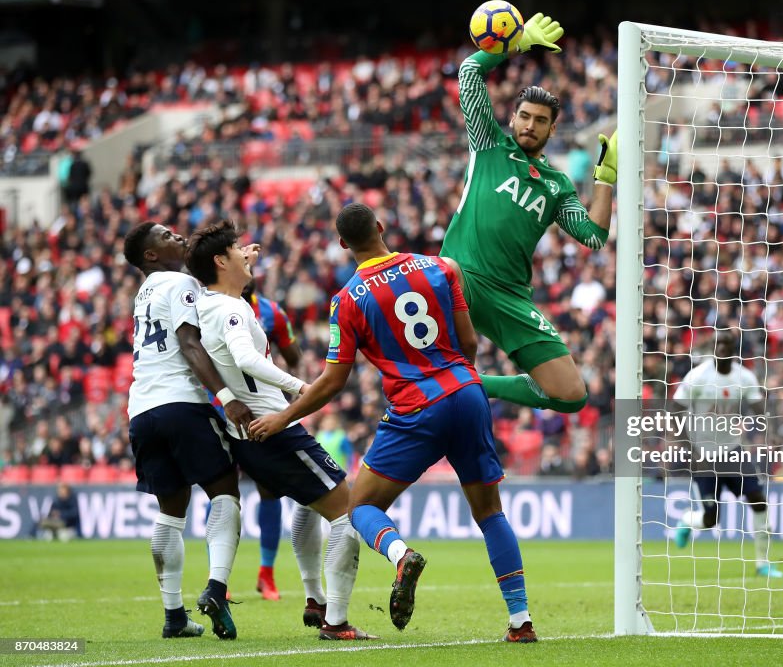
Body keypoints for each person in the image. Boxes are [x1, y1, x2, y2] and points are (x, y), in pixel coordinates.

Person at [250, 202, 537, 642]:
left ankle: (402, 556)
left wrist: (283, 416)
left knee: (359, 507)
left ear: (344, 245)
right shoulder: (443, 268)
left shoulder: (346, 300)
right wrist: (460, 381)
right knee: (490, 513)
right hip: (466, 392)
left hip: (416, 408)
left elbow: (332, 382)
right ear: (381, 227)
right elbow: (468, 343)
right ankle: (521, 622)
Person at [185, 220, 375, 641]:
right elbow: (247, 359)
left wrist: (242, 263)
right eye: (236, 249)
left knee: (308, 505)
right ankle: (336, 621)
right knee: (348, 514)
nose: (245, 253)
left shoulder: (209, 302)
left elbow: (222, 291)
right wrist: (301, 387)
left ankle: (314, 597)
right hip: (275, 428)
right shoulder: (233, 309)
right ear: (220, 260)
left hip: (249, 435)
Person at [439, 12, 618, 414]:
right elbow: (469, 71)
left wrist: (606, 179)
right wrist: (516, 43)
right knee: (431, 280)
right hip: (460, 276)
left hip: (510, 297)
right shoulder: (488, 144)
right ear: (511, 118)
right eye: (525, 116)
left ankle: (477, 385)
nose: (530, 125)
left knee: (572, 394)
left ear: (552, 130)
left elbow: (594, 236)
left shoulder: (558, 186)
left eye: (541, 120)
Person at [123, 221, 254, 640]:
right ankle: (216, 586)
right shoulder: (179, 282)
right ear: (151, 255)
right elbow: (190, 342)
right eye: (165, 236)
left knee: (170, 513)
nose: (177, 236)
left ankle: (174, 615)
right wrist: (225, 396)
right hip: (182, 402)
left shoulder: (144, 294)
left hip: (142, 409)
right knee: (225, 492)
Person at [672, 329, 783, 579]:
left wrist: (771, 432)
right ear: (712, 347)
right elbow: (674, 410)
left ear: (733, 349)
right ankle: (687, 521)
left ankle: (762, 564)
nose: (721, 347)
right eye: (718, 343)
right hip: (703, 455)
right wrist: (688, 446)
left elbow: (758, 407)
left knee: (758, 499)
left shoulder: (744, 377)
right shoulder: (698, 377)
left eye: (726, 343)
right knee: (711, 519)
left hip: (733, 451)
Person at [242, 278, 301, 602]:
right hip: (220, 407)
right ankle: (217, 582)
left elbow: (293, 356)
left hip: (262, 411)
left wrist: (292, 398)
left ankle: (266, 573)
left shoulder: (271, 312)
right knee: (221, 492)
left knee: (270, 490)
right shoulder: (209, 304)